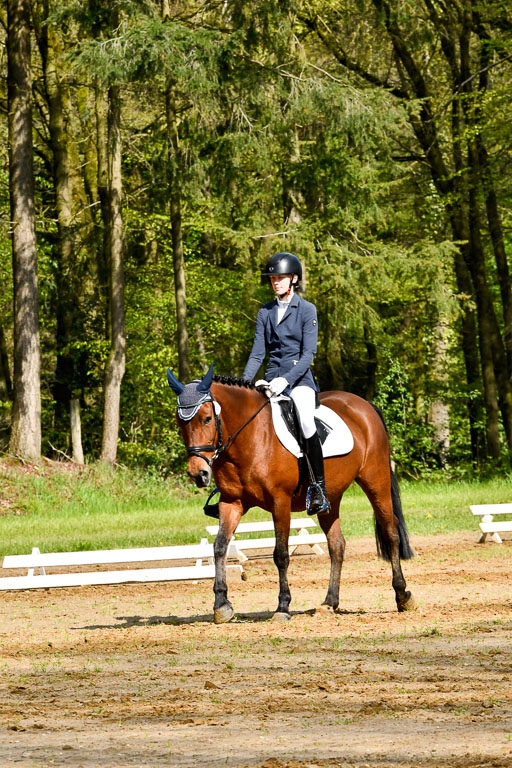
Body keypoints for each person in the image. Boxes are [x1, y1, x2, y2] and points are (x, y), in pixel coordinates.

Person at [243, 252, 330, 516]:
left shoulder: (307, 310)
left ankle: (318, 488)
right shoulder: (265, 312)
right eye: (272, 279)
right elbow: (258, 353)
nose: (275, 282)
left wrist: (286, 380)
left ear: (293, 279)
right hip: (270, 379)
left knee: (304, 419)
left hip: (299, 380)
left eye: (280, 278)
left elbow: (308, 355)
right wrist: (244, 385)